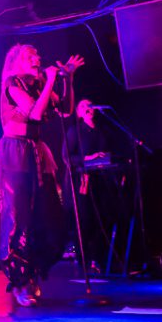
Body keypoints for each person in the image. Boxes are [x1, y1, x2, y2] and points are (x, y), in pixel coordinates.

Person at [0, 44, 83, 307]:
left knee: (46, 214)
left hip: (35, 152)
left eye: (37, 55)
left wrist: (68, 79)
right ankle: (21, 280)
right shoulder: (12, 84)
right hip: (14, 153)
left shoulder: (40, 84)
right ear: (17, 62)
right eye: (29, 56)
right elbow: (35, 112)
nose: (37, 58)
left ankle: (34, 272)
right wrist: (51, 78)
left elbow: (65, 109)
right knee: (18, 218)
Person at [63, 98, 117, 273]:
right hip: (82, 182)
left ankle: (99, 259)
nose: (88, 107)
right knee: (85, 220)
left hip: (101, 180)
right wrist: (88, 158)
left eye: (90, 104)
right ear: (79, 113)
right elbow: (66, 156)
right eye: (83, 106)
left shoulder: (103, 131)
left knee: (102, 218)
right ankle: (84, 260)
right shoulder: (75, 131)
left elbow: (112, 151)